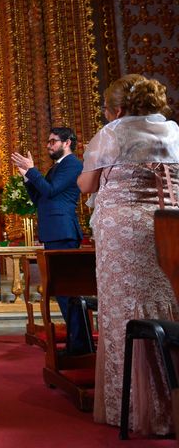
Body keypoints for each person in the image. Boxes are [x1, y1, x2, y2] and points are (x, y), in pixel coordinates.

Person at [77, 74, 179, 436]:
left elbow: (87, 183)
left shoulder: (113, 133)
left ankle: (136, 407)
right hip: (168, 226)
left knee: (126, 309)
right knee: (168, 303)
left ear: (117, 109)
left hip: (123, 231)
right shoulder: (173, 132)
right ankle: (172, 401)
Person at [11, 127, 87, 354]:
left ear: (68, 142)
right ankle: (78, 342)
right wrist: (26, 176)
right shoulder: (56, 168)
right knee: (62, 291)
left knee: (68, 291)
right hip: (54, 232)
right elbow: (39, 197)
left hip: (63, 232)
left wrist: (32, 170)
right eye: (48, 141)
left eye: (53, 141)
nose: (48, 145)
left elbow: (52, 191)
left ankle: (80, 344)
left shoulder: (73, 164)